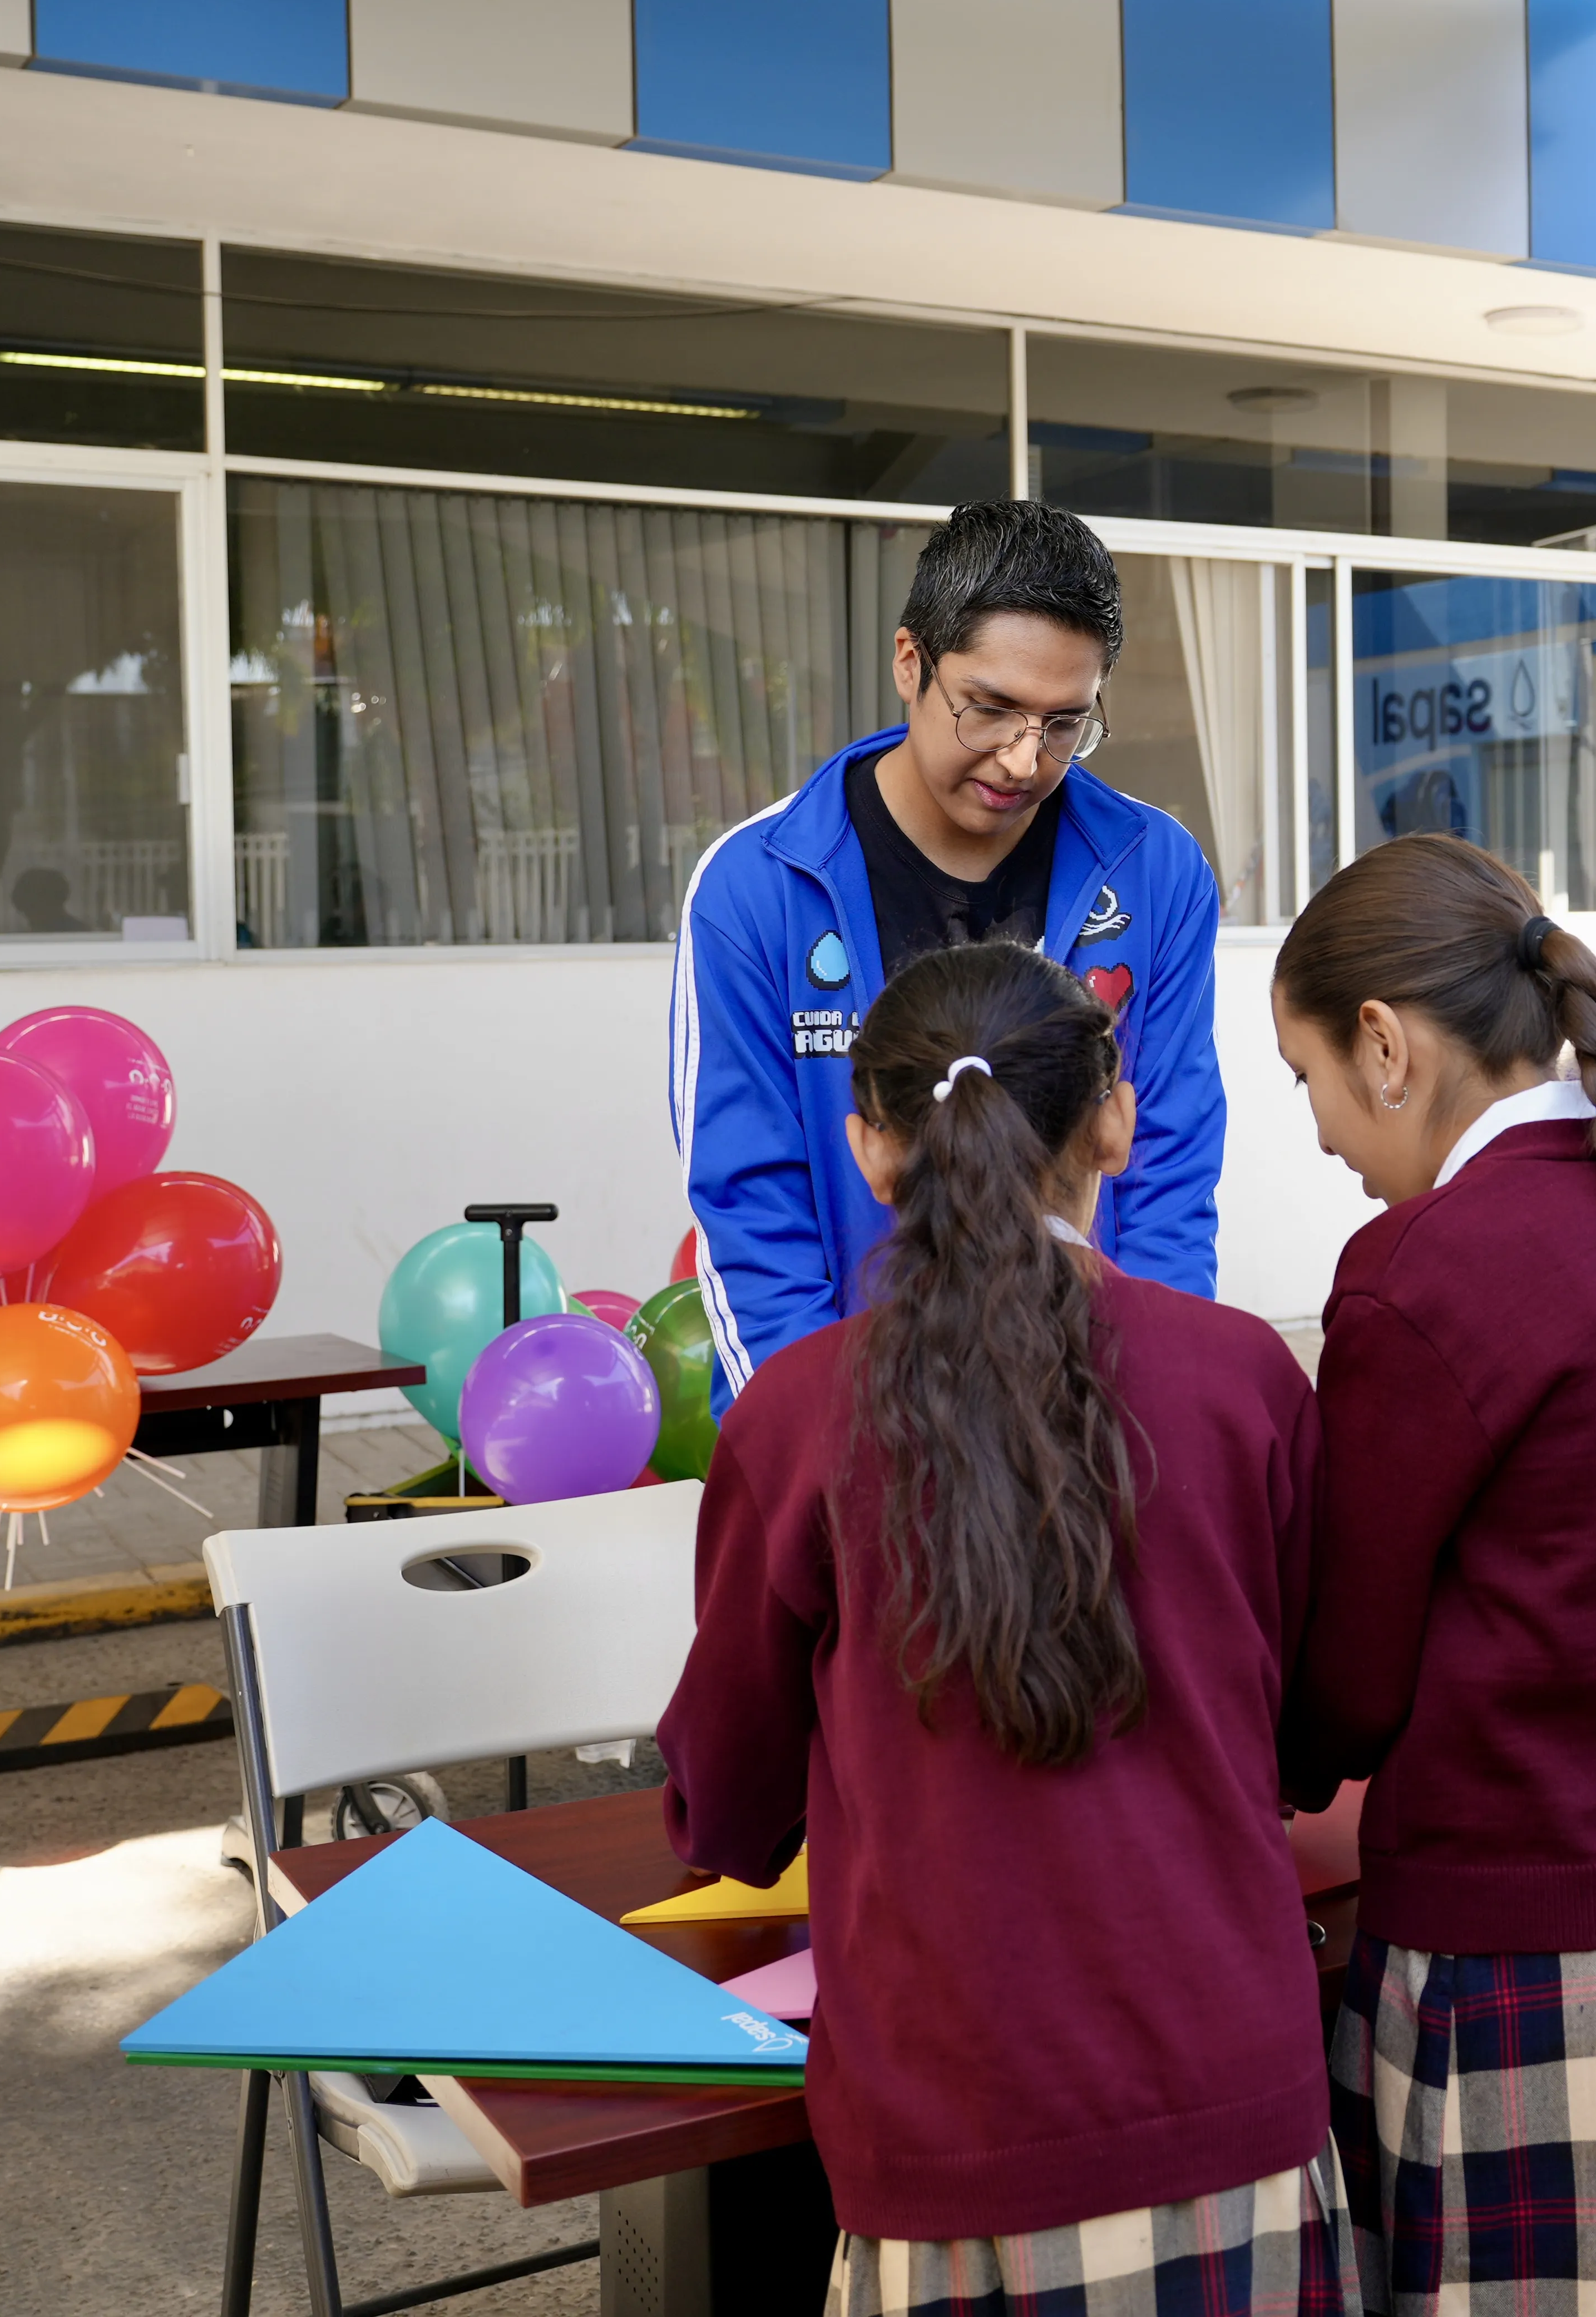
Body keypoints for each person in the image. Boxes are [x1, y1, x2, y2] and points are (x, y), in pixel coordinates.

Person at [659, 941, 1345, 2314]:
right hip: (1234, 2090)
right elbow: (1309, 1737)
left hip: (951, 2121)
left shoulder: (799, 1414)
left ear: (868, 1148)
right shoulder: (1244, 1378)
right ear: (1116, 1117)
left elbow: (725, 1814)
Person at [1273, 833, 1596, 2316]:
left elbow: (1347, 1684)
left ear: (1383, 1046)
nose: (1317, 1137)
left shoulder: (1420, 1277)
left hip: (1505, 1952)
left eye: (1307, 1082)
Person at [671, 501, 1224, 1409]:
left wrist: (1149, 1400)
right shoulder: (756, 888)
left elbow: (1169, 1158)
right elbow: (750, 1206)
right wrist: (824, 1444)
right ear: (909, 663)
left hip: (1092, 1405)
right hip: (854, 1415)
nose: (1021, 759)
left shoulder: (1155, 870)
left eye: (1064, 725)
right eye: (991, 709)